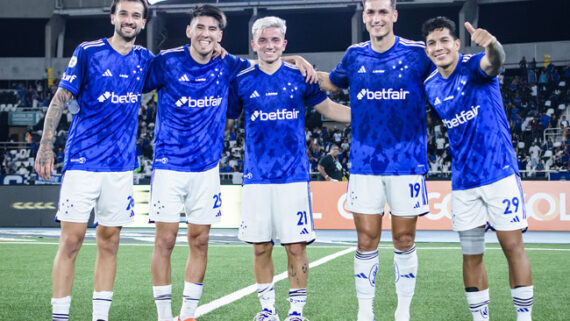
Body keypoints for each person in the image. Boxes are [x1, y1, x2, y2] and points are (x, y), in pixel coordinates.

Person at [144, 5, 317, 321]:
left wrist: (296, 60)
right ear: (189, 30)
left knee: (200, 241)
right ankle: (163, 315)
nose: (205, 34)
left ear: (220, 35)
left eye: (212, 29)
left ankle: (188, 314)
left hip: (208, 168)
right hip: (168, 165)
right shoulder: (167, 61)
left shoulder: (229, 65)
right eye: (200, 27)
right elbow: (136, 86)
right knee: (165, 241)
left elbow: (265, 61)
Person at [34, 1, 152, 320]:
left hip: (120, 167)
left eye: (136, 15)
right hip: (83, 162)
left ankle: (100, 317)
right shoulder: (88, 52)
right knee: (71, 241)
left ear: (143, 23)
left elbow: (188, 64)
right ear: (113, 17)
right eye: (124, 13)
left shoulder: (146, 60)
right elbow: (61, 99)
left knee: (109, 242)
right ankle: (60, 316)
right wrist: (46, 145)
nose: (129, 20)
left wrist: (289, 58)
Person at [227, 16, 350, 321]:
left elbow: (330, 109)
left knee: (296, 247)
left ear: (284, 44)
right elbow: (225, 122)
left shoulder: (300, 77)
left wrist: (372, 114)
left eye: (275, 40)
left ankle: (296, 311)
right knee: (260, 248)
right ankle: (267, 309)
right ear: (254, 45)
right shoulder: (241, 80)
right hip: (256, 179)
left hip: (293, 177)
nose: (269, 45)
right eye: (263, 40)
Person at [317, 1, 432, 320]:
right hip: (365, 165)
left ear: (394, 15)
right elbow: (331, 82)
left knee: (404, 239)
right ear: (364, 17)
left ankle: (402, 311)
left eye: (383, 12)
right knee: (366, 239)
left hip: (407, 163)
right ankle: (365, 312)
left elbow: (448, 72)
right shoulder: (354, 55)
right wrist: (299, 66)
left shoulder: (419, 53)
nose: (377, 18)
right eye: (371, 12)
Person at [422, 16, 534, 321]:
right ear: (427, 50)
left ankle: (525, 318)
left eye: (444, 40)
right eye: (432, 43)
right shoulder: (430, 86)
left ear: (457, 43)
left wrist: (493, 45)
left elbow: (494, 63)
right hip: (464, 182)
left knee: (512, 246)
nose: (438, 47)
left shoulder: (474, 65)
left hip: (499, 172)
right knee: (471, 254)